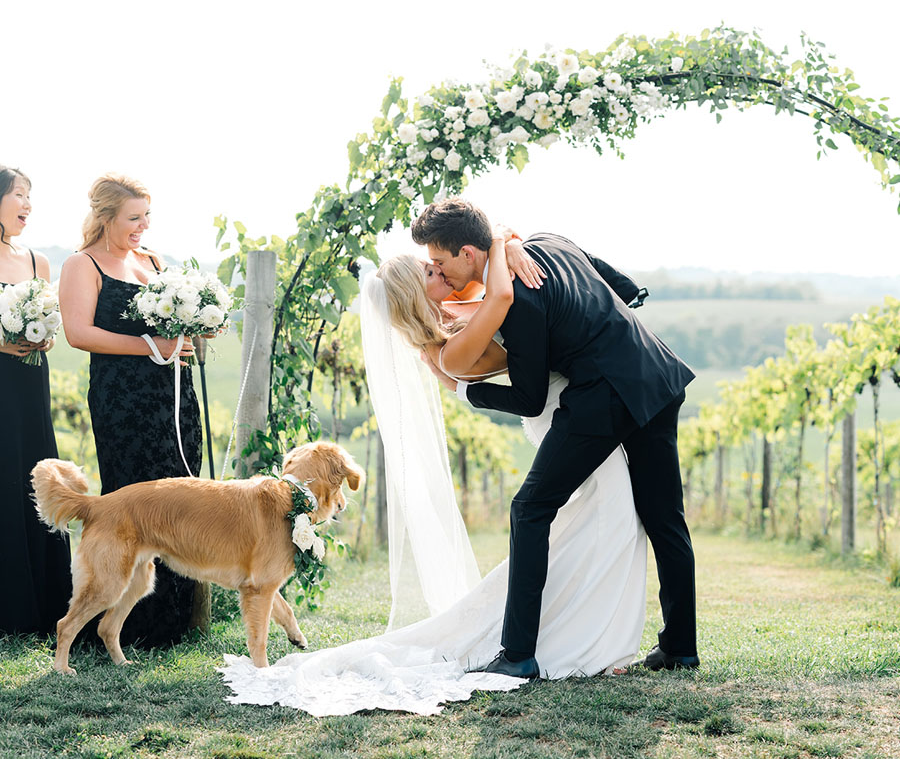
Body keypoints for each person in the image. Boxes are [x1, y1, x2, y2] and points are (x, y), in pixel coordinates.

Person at [220, 232, 648, 714]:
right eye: (429, 272)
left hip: (569, 409)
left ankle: (593, 632)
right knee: (609, 514)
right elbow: (515, 315)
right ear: (413, 293)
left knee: (606, 517)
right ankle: (593, 639)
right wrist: (505, 242)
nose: (439, 272)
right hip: (564, 411)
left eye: (437, 267)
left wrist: (508, 250)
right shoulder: (450, 343)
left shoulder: (453, 325)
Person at [412, 197, 698, 678]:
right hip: (656, 372)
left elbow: (529, 399)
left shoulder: (519, 298)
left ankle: (519, 654)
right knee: (665, 516)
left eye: (440, 263)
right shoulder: (548, 241)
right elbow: (616, 284)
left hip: (606, 394)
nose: (439, 272)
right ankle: (680, 647)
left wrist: (467, 392)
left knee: (530, 508)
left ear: (467, 252)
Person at [58, 173, 201, 648]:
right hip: (123, 403)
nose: (143, 227)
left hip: (173, 397)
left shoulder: (153, 261)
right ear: (105, 218)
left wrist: (198, 327)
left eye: (147, 217)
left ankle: (177, 621)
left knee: (182, 499)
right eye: (133, 218)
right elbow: (79, 334)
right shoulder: (82, 265)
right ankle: (125, 625)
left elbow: (173, 325)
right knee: (132, 507)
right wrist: (150, 348)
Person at [0, 165, 72, 635]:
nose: (28, 204)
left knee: (33, 474)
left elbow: (50, 318)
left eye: (30, 196)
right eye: (19, 194)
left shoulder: (37, 261)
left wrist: (44, 337)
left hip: (30, 382)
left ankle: (44, 604)